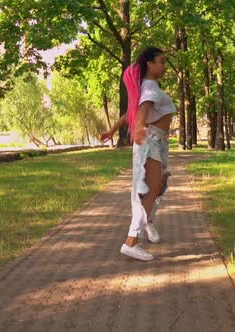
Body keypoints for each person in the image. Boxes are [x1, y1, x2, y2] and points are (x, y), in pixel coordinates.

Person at [100, 47, 176, 261]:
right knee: (147, 192)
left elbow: (130, 112)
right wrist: (139, 127)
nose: (164, 65)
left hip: (158, 141)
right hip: (150, 141)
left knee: (157, 188)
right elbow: (141, 112)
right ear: (149, 64)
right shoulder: (150, 87)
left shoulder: (147, 86)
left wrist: (112, 130)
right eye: (161, 61)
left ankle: (148, 221)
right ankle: (131, 242)